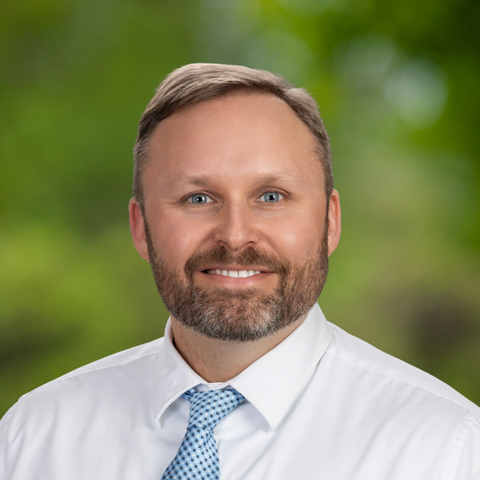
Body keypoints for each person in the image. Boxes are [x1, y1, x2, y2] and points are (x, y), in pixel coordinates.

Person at [0, 63, 479, 480]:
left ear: (330, 221)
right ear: (141, 227)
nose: (234, 235)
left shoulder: (446, 448)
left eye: (271, 197)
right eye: (198, 198)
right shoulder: (33, 437)